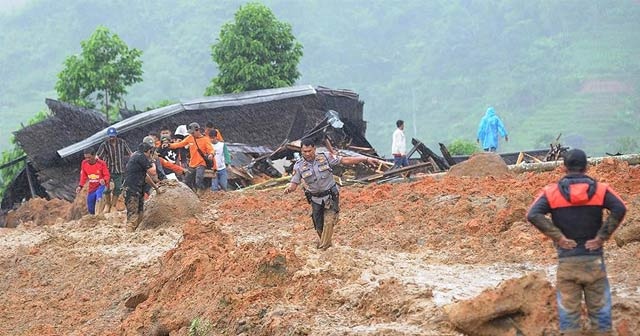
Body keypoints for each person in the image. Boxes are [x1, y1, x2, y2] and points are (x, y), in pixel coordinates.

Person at [526, 149, 626, 335]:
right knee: (601, 315)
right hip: (594, 261)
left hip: (567, 262)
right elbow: (620, 208)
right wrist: (601, 237)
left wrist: (559, 237)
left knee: (569, 317)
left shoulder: (552, 192)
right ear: (587, 167)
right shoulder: (601, 190)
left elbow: (532, 214)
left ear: (563, 167)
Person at [284, 138, 382, 249]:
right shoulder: (299, 166)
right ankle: (326, 244)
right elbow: (294, 183)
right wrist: (289, 188)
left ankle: (323, 248)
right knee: (319, 226)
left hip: (330, 195)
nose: (307, 154)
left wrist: (365, 159)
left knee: (329, 221)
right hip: (315, 199)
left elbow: (345, 160)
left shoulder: (325, 157)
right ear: (301, 151)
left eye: (310, 151)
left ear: (314, 149)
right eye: (304, 151)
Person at [123, 142, 162, 232]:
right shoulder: (141, 157)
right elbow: (152, 172)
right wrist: (153, 160)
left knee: (140, 213)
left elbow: (145, 176)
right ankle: (129, 236)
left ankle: (135, 234)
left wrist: (156, 188)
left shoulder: (136, 156)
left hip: (136, 189)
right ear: (148, 151)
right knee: (133, 215)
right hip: (132, 189)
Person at [167, 122, 214, 194]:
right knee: (186, 181)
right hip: (192, 164)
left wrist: (211, 154)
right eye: (191, 133)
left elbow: (211, 149)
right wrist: (169, 145)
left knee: (198, 179)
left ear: (197, 130)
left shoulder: (205, 139)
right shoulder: (190, 138)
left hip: (201, 163)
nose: (192, 134)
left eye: (193, 132)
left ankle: (202, 192)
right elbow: (180, 144)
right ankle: (193, 193)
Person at [96, 126, 132, 212]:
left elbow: (129, 153)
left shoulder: (122, 143)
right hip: (107, 169)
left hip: (119, 169)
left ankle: (113, 205)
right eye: (110, 136)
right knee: (106, 188)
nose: (111, 137)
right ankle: (108, 204)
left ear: (116, 135)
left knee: (118, 187)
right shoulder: (105, 144)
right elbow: (98, 156)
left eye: (113, 136)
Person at [76, 147, 110, 215]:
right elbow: (83, 176)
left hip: (101, 186)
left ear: (94, 155)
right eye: (86, 157)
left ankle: (99, 215)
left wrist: (104, 180)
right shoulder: (84, 163)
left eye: (89, 157)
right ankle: (94, 217)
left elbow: (107, 175)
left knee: (99, 197)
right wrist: (80, 186)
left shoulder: (101, 163)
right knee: (90, 208)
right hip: (92, 188)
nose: (87, 159)